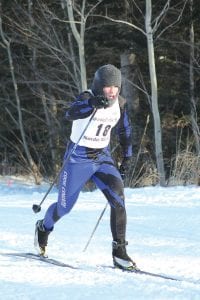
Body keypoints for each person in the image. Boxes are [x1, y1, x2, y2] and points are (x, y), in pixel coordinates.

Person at [34, 64, 137, 271]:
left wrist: (127, 157)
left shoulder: (120, 104)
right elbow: (70, 113)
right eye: (108, 87)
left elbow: (124, 132)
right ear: (99, 86)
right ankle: (43, 227)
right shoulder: (86, 97)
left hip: (102, 157)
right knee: (64, 207)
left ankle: (119, 252)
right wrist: (92, 104)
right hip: (77, 158)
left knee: (118, 199)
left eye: (116, 87)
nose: (113, 92)